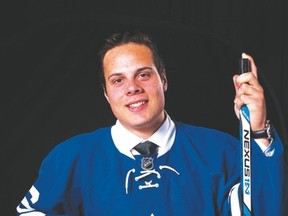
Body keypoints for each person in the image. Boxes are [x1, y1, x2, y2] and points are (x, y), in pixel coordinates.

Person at [16, 30, 287, 215]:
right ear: (106, 94)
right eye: (118, 80)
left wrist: (258, 132)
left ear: (164, 80)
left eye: (143, 74)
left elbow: (262, 209)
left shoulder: (221, 151)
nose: (132, 88)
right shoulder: (70, 158)